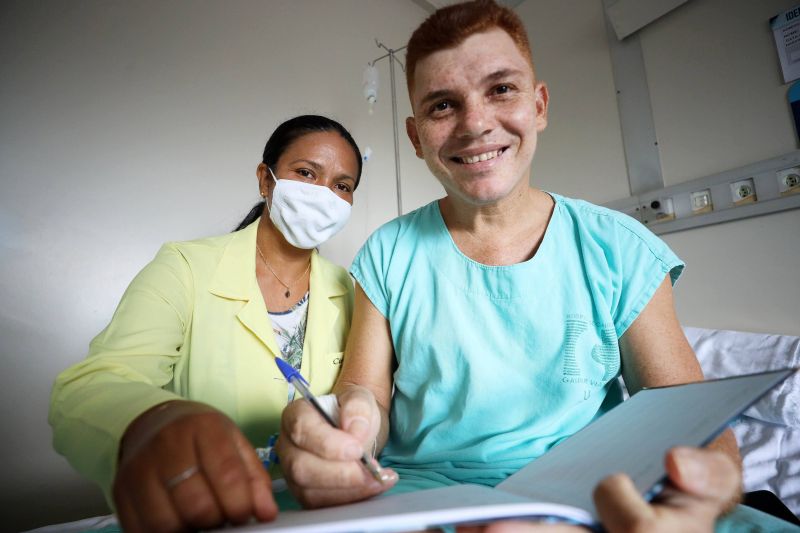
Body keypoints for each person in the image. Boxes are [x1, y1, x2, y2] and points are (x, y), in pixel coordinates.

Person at [275, 2, 795, 531]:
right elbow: (366, 394)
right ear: (415, 138)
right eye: (442, 106)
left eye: (501, 89)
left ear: (539, 105)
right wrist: (351, 428)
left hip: (595, 492)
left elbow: (689, 419)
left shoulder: (618, 248)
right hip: (423, 494)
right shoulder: (388, 254)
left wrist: (698, 491)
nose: (475, 124)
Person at [49, 114, 367, 532]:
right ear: (266, 180)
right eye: (306, 173)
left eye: (341, 186)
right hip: (214, 513)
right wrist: (152, 419)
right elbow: (87, 388)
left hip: (322, 513)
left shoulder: (350, 290)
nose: (324, 195)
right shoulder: (185, 267)